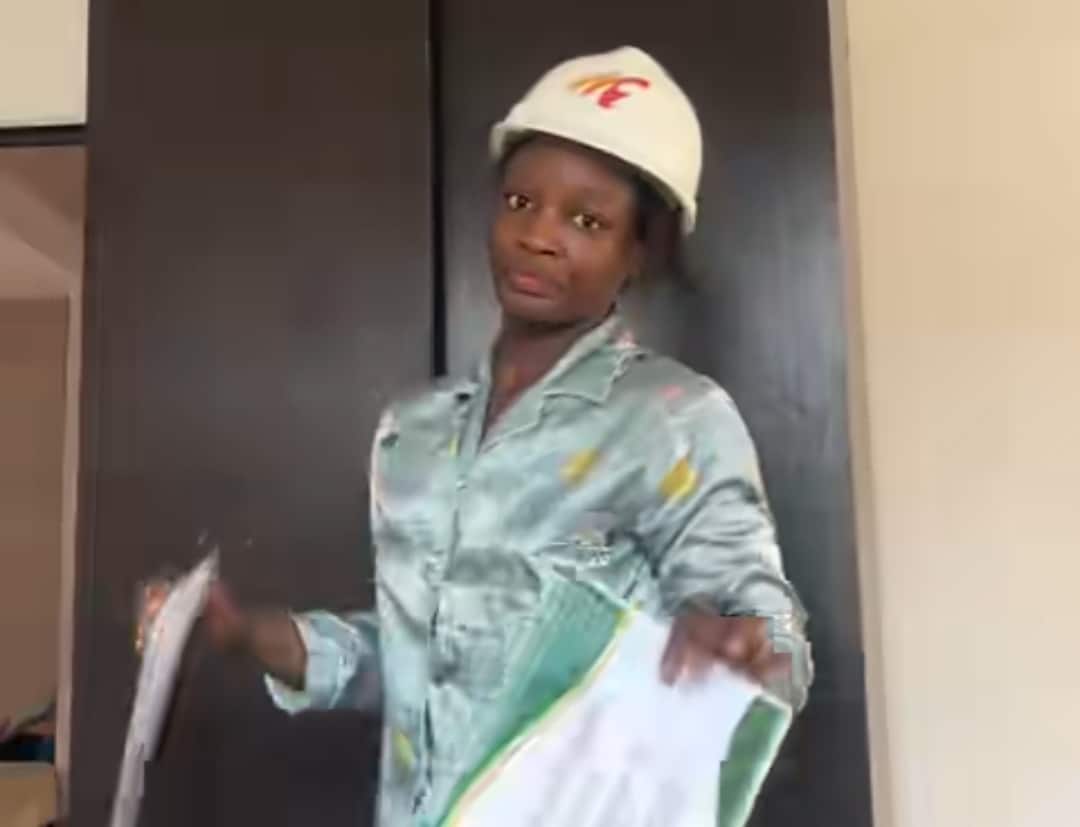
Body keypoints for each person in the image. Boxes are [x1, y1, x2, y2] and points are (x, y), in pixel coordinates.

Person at [204, 45, 813, 824]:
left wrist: (746, 647)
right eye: (521, 202)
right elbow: (420, 666)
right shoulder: (412, 433)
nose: (539, 236)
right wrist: (247, 634)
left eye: (587, 220)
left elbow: (775, 643)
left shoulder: (673, 419)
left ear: (640, 251)